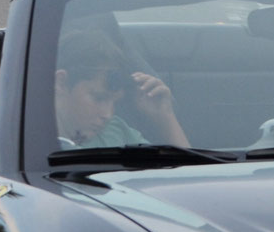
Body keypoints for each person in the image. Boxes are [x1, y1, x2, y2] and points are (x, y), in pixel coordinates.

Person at [53, 28, 188, 148]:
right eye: (98, 98)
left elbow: (188, 171)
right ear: (61, 83)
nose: (108, 114)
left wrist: (165, 118)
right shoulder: (35, 141)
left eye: (115, 102)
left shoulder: (115, 133)